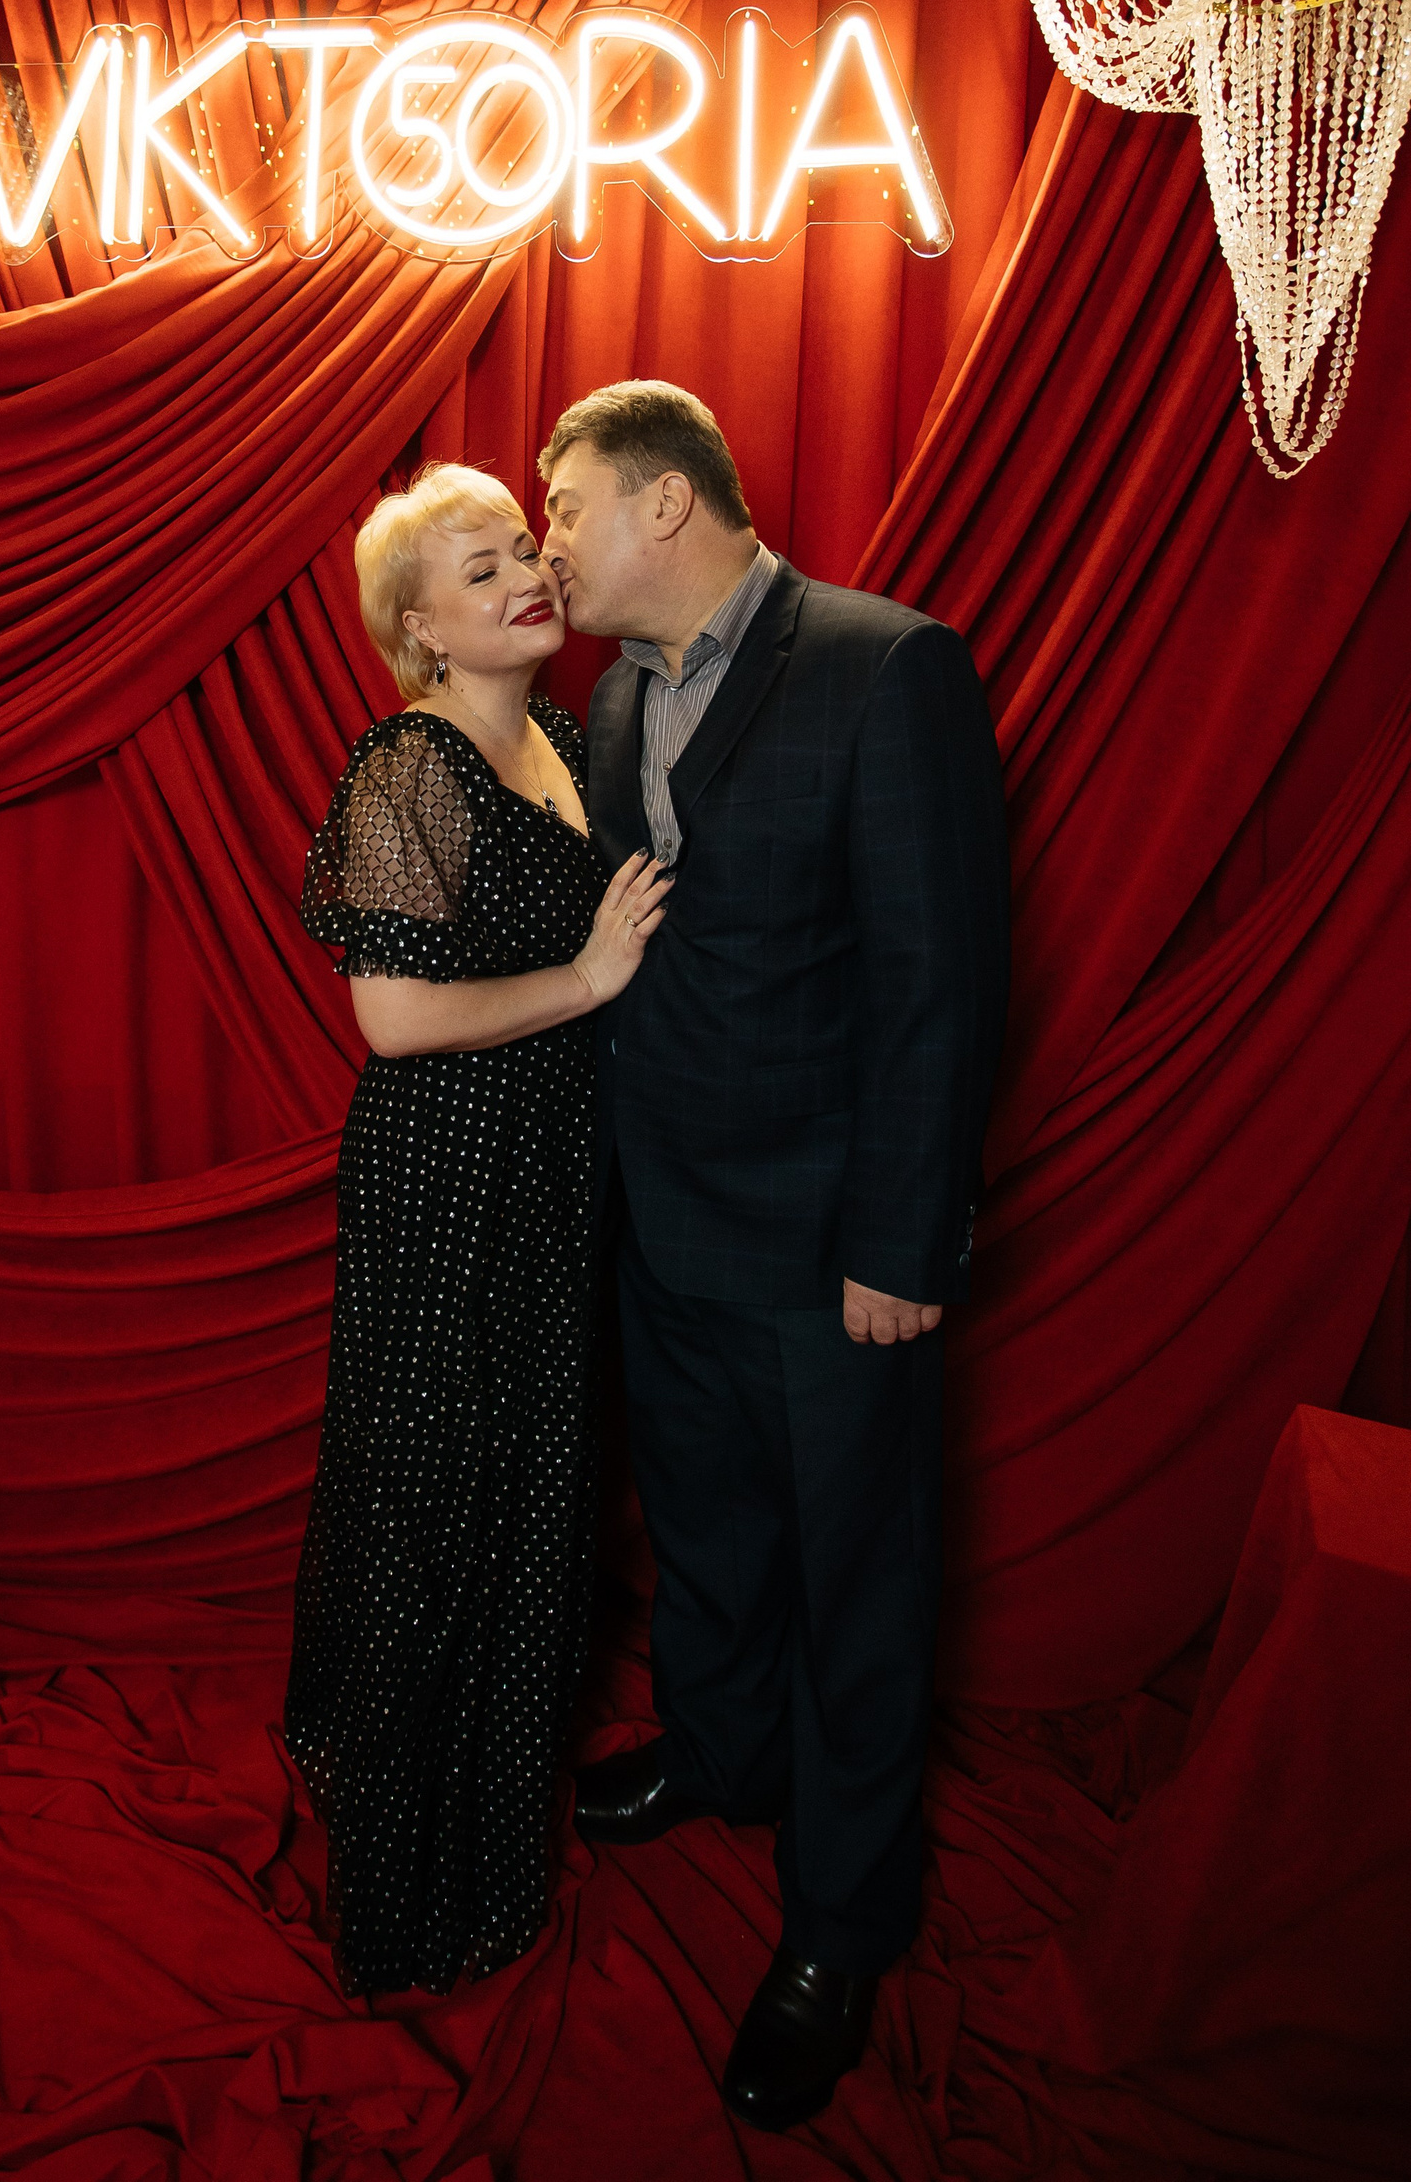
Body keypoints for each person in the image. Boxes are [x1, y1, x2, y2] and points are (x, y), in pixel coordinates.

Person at [539, 381, 1010, 2133]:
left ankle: (840, 1923)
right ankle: (722, 1757)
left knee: (858, 1590)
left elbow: (939, 981)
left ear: (666, 502)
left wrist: (903, 1240)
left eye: (566, 503)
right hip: (664, 1227)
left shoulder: (890, 667)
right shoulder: (612, 698)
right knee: (711, 1534)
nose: (548, 540)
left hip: (832, 1257)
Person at [289, 461, 672, 1995]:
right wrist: (586, 981)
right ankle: (408, 1863)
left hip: (555, 1174)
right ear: (422, 631)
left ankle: (494, 1816)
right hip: (444, 1180)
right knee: (437, 1493)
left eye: (522, 546)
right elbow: (391, 1021)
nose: (526, 575)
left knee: (535, 1480)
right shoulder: (409, 766)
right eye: (480, 569)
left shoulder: (570, 742)